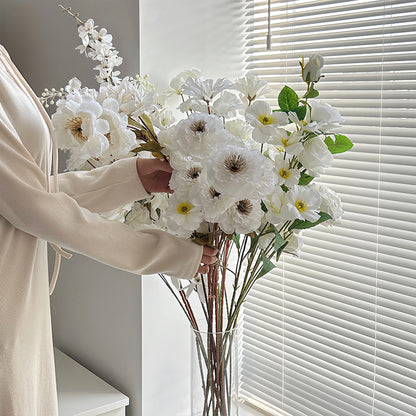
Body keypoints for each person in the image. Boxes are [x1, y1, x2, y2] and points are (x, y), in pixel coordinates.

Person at [0, 44, 217, 415]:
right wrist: (167, 254)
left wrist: (129, 178)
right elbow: (34, 209)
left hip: (20, 300)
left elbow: (24, 193)